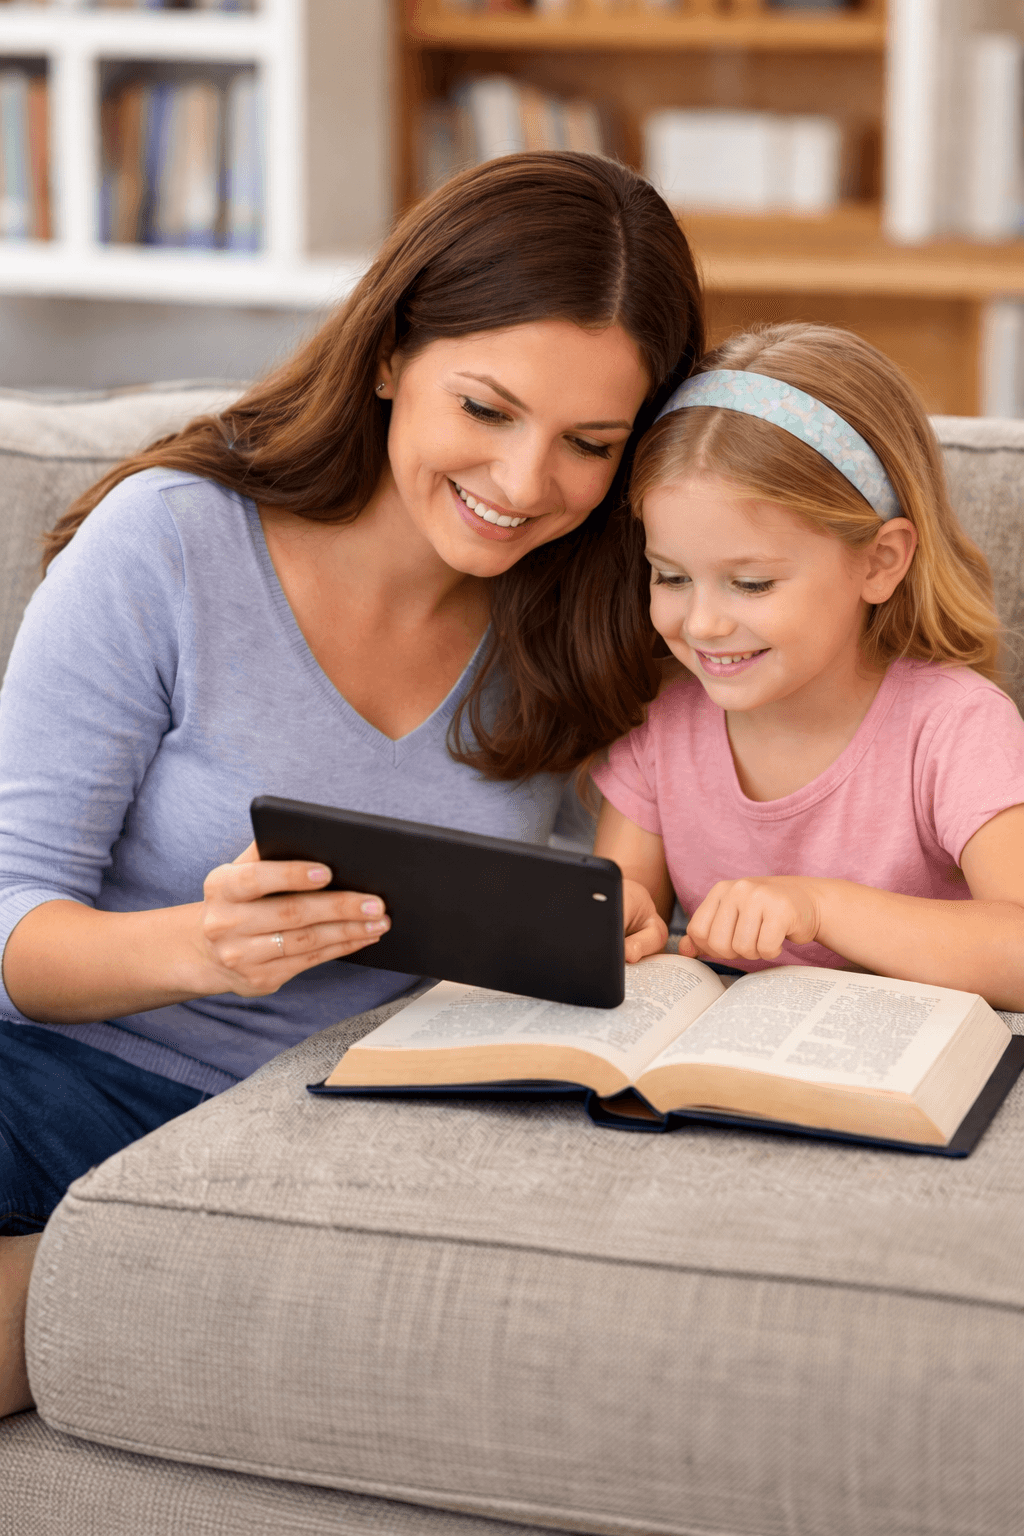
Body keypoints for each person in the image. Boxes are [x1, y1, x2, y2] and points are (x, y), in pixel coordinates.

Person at [0, 151, 705, 1414]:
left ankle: (127, 1269)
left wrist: (631, 916)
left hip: (329, 1135)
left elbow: (655, 852)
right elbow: (14, 927)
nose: (526, 483)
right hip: (56, 1077)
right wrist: (201, 947)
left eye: (588, 444)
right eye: (485, 410)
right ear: (389, 354)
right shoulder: (170, 541)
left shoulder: (599, 615)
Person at [593, 323, 1024, 1012]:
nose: (701, 623)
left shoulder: (955, 728)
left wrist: (818, 907)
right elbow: (615, 901)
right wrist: (619, 925)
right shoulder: (664, 726)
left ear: (880, 562)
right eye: (670, 577)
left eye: (753, 584)